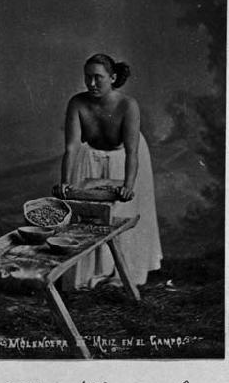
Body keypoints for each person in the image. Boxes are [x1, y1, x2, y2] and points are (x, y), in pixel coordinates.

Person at [52, 53, 162, 290]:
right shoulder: (77, 103)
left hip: (125, 158)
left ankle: (121, 273)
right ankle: (90, 273)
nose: (91, 84)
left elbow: (132, 152)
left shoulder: (127, 105)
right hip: (90, 158)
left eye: (98, 78)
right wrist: (65, 184)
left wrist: (128, 186)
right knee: (88, 216)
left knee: (123, 213)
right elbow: (71, 147)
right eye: (87, 78)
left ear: (112, 78)